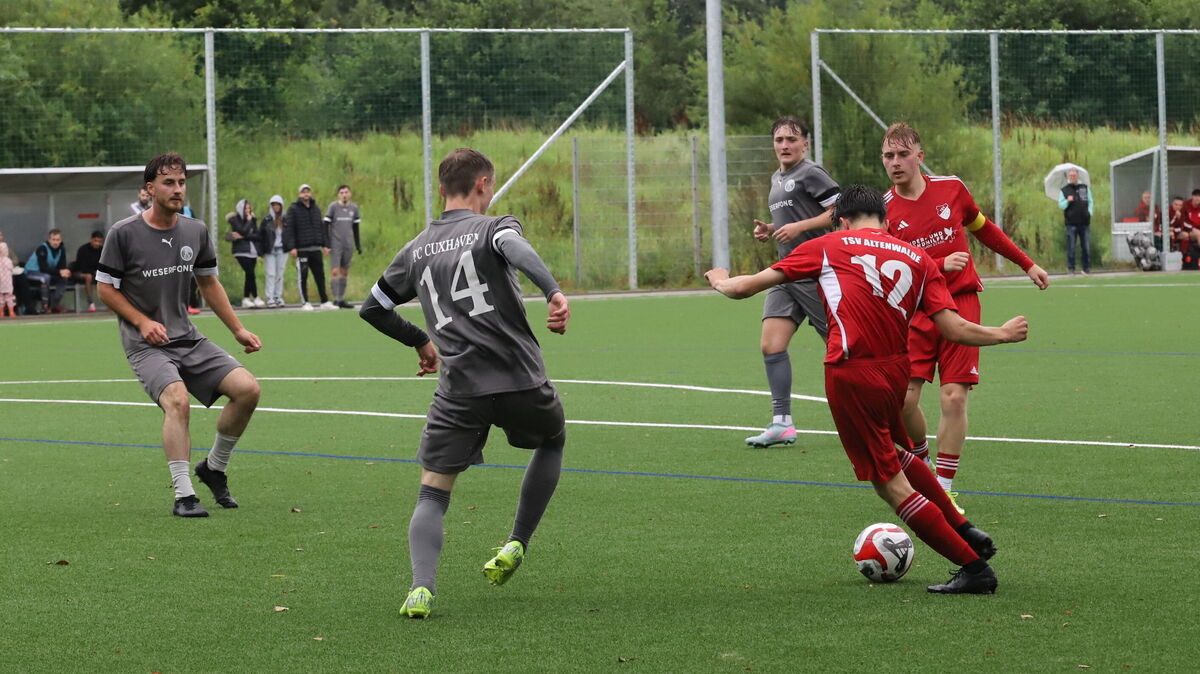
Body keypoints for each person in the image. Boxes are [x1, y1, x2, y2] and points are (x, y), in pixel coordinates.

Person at [705, 184, 1029, 594]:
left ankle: (974, 568)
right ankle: (963, 527)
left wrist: (719, 279)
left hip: (852, 372)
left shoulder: (827, 245)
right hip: (896, 372)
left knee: (889, 483)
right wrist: (1002, 333)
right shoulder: (917, 258)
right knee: (895, 451)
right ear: (886, 220)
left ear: (842, 221)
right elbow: (954, 328)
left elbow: (743, 288)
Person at [359, 148, 570, 619]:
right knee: (552, 440)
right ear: (483, 184)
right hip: (519, 378)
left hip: (459, 389)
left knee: (433, 492)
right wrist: (552, 290)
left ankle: (420, 589)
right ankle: (516, 542)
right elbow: (515, 248)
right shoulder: (494, 227)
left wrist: (420, 341)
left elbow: (373, 308)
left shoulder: (415, 249)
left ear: (441, 190)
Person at [880, 122, 1049, 514]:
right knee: (903, 401)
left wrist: (1027, 263)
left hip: (960, 302)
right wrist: (939, 263)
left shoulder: (951, 189)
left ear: (919, 156)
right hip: (916, 311)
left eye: (903, 154)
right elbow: (890, 265)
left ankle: (943, 488)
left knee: (954, 396)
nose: (896, 162)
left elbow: (984, 229)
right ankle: (921, 460)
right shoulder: (883, 209)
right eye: (888, 156)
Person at [95, 153, 263, 518]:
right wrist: (142, 322)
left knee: (248, 390)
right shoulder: (123, 233)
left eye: (182, 183)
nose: (177, 189)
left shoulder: (195, 230)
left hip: (187, 337)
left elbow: (208, 282)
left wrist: (238, 329)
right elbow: (105, 289)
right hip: (146, 345)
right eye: (168, 183)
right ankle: (184, 495)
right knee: (177, 400)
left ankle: (214, 468)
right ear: (149, 189)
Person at [744, 116, 839, 448]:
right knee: (771, 344)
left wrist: (800, 228)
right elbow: (794, 215)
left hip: (816, 272)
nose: (784, 145)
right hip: (785, 273)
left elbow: (840, 210)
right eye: (779, 140)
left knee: (841, 347)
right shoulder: (777, 177)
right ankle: (781, 423)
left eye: (791, 139)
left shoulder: (811, 172)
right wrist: (770, 230)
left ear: (805, 144)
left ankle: (877, 414)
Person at [284, 184, 335, 310]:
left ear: (310, 193)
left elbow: (321, 228)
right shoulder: (293, 209)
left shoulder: (316, 208)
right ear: (299, 194)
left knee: (320, 276)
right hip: (302, 249)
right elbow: (289, 229)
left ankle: (324, 301)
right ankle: (305, 302)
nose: (306, 194)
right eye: (303, 192)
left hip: (315, 248)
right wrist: (292, 247)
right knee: (303, 276)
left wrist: (325, 244)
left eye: (307, 192)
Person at [325, 184, 363, 308]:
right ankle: (336, 299)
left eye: (346, 192)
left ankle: (341, 299)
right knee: (335, 271)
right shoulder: (333, 207)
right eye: (341, 193)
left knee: (345, 271)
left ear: (350, 194)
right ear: (338, 195)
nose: (344, 195)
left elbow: (356, 228)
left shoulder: (354, 208)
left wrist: (358, 245)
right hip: (335, 244)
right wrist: (326, 244)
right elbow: (326, 225)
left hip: (348, 244)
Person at [226, 199, 264, 308]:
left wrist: (243, 236)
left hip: (252, 251)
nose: (248, 210)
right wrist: (248, 222)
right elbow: (243, 230)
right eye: (245, 208)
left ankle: (248, 298)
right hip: (241, 251)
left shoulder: (253, 219)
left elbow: (257, 236)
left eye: (249, 208)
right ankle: (253, 297)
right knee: (250, 273)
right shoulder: (235, 219)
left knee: (250, 274)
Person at [24, 228, 72, 314]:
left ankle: (54, 305)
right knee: (45, 277)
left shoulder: (61, 250)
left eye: (58, 240)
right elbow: (43, 268)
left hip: (48, 273)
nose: (55, 242)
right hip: (31, 273)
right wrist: (59, 272)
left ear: (61, 240)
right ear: (49, 240)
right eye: (53, 239)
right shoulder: (42, 248)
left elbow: (62, 266)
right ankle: (45, 307)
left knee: (64, 278)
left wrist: (65, 272)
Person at [1057, 167, 1093, 275]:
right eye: (1071, 175)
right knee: (1071, 247)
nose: (1073, 177)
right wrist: (1067, 201)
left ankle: (1086, 268)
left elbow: (1090, 201)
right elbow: (1061, 205)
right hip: (1071, 223)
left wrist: (1089, 212)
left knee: (1086, 247)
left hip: (1084, 222)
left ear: (1077, 176)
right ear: (1068, 176)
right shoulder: (1064, 190)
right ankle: (1071, 269)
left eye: (1074, 175)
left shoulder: (1084, 188)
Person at [259, 194, 288, 307]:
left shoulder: (285, 219)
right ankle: (270, 297)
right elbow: (261, 235)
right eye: (274, 205)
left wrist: (290, 246)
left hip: (282, 249)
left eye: (278, 205)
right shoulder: (266, 220)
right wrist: (261, 251)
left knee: (280, 274)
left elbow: (289, 234)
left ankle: (277, 296)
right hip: (270, 250)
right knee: (270, 273)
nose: (276, 207)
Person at [70, 230, 105, 312]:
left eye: (99, 241)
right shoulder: (83, 250)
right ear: (91, 239)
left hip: (95, 273)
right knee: (88, 276)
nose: (97, 243)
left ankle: (110, 304)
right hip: (79, 272)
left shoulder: (103, 250)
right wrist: (94, 272)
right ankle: (91, 303)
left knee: (108, 278)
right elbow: (82, 267)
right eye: (95, 241)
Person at [1177, 189, 1200, 254]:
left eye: (1199, 197)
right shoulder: (1185, 205)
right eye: (1196, 196)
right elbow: (1183, 222)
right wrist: (1192, 228)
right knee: (1198, 234)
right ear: (1192, 196)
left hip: (1196, 230)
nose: (1198, 199)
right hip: (1186, 230)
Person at [0, 241, 14, 317]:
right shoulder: (8, 261)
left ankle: (1, 312)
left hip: (0, 282)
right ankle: (11, 312)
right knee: (9, 297)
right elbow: (11, 269)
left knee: (0, 298)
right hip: (8, 283)